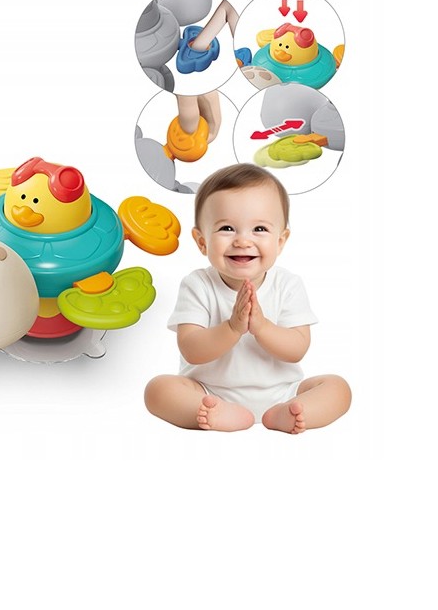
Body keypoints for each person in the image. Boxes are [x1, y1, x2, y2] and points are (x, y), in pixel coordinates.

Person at [144, 163, 351, 432]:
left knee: (338, 387)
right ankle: (220, 414)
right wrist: (232, 328)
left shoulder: (287, 285)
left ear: (280, 241)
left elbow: (297, 350)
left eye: (260, 229)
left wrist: (261, 327)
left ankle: (288, 414)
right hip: (207, 393)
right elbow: (191, 350)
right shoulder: (197, 285)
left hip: (284, 393)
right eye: (227, 228)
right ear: (202, 241)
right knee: (158, 390)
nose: (242, 241)